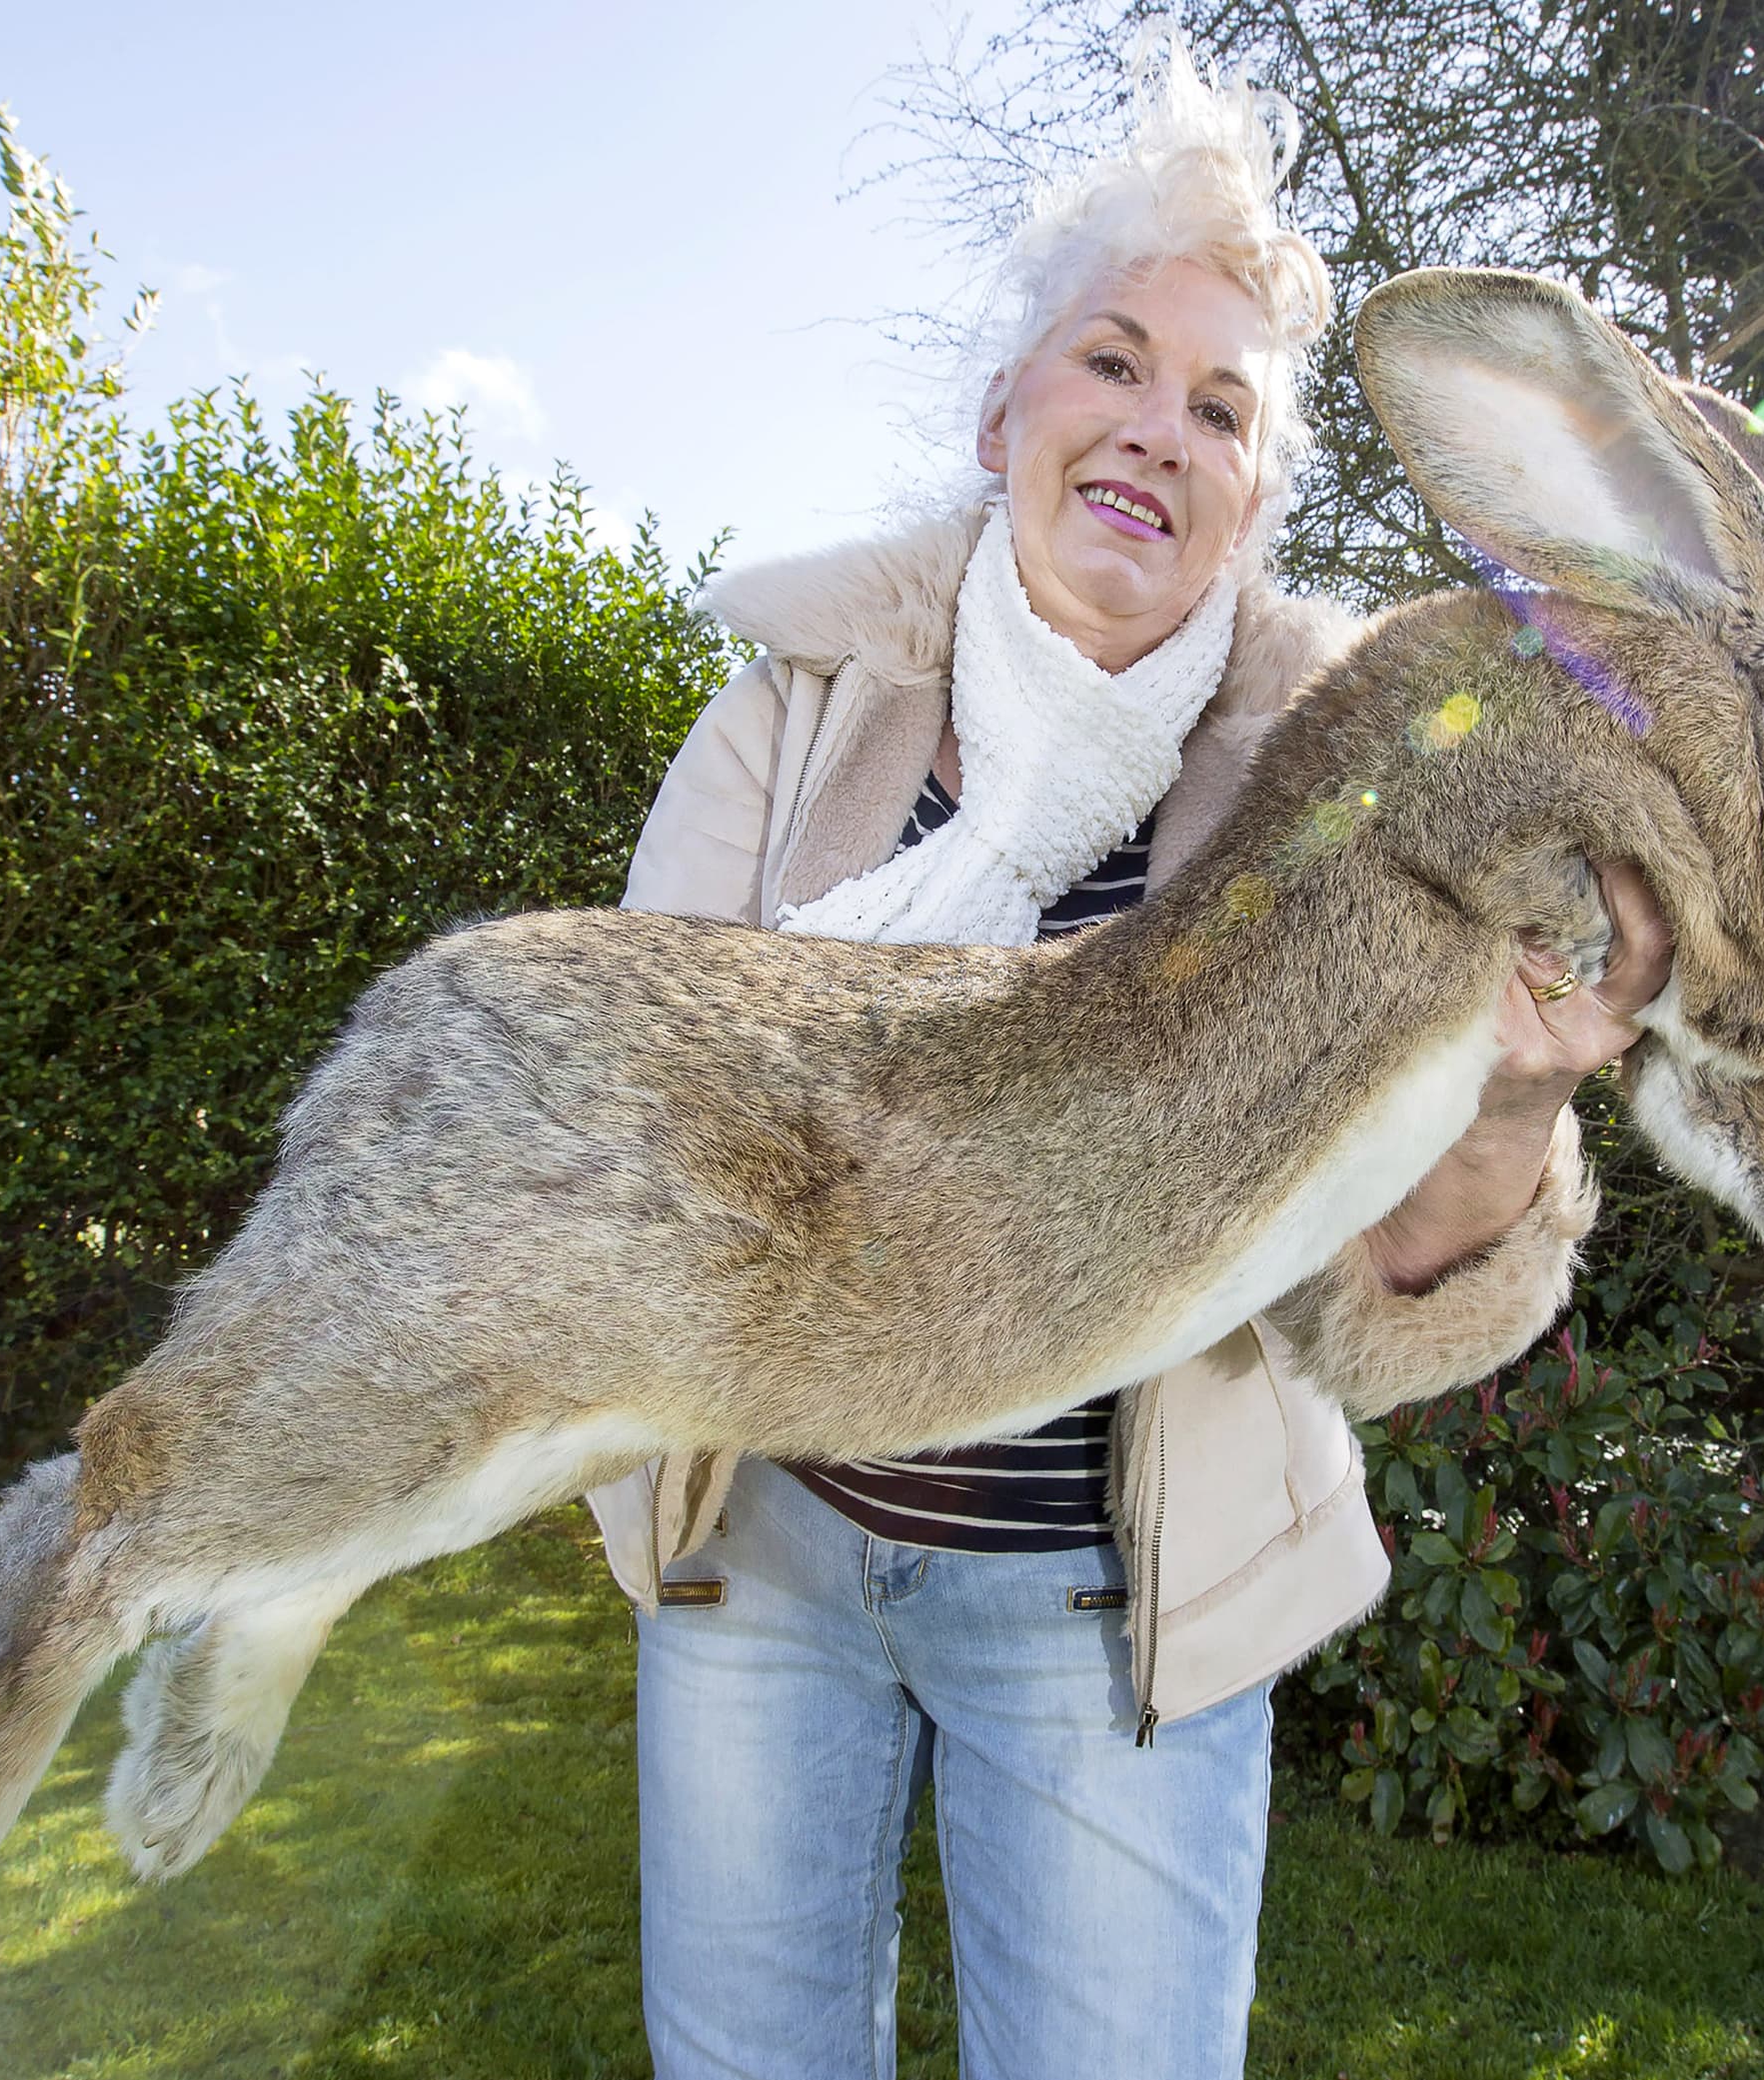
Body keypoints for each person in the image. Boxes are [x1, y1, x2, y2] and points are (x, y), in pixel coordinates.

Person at [584, 37, 1672, 2080]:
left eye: (1221, 409)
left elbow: (1373, 1298)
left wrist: (1518, 1094)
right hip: (768, 1556)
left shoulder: (1349, 800)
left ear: (1253, 502)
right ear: (1002, 411)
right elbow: (629, 1117)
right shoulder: (794, 713)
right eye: (1112, 362)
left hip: (1109, 1605)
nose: (1158, 430)